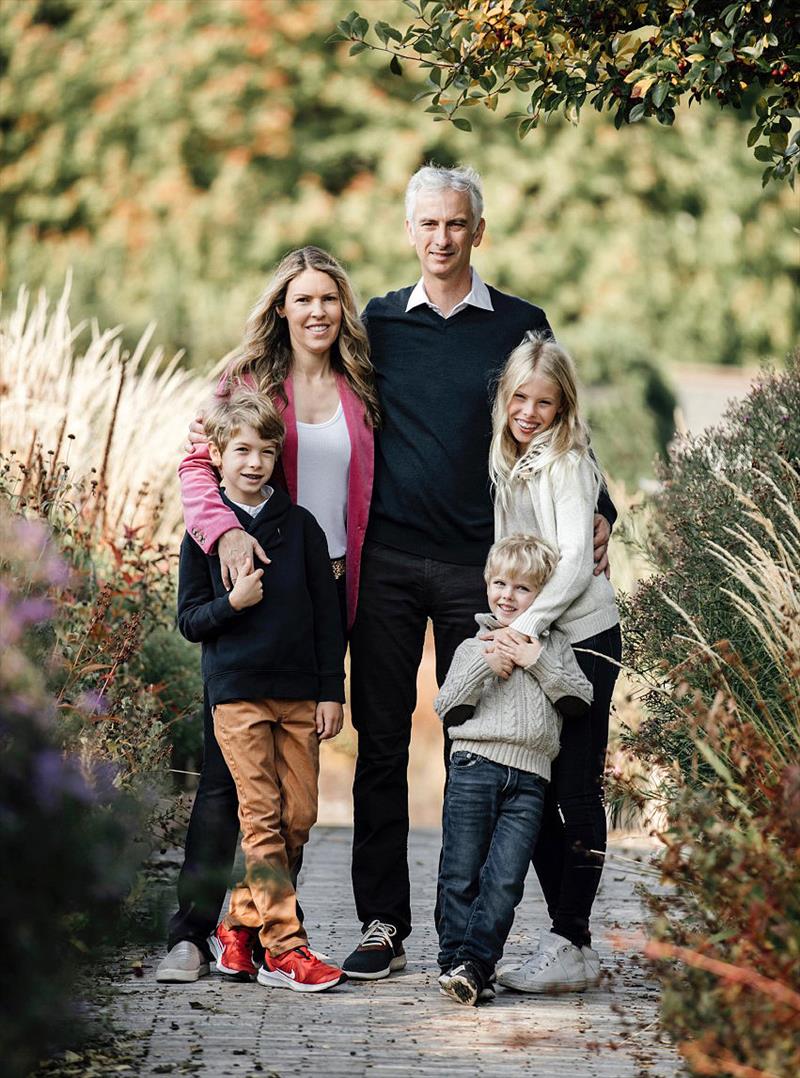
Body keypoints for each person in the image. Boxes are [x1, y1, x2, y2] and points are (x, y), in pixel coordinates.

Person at [341, 164, 616, 980]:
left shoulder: (522, 323)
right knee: (382, 746)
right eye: (426, 224)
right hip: (388, 562)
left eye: (455, 224)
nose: (440, 238)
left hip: (485, 573)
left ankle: (554, 932)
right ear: (409, 231)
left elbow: (564, 424)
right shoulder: (378, 324)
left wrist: (607, 510)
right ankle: (384, 923)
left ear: (478, 230)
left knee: (507, 749)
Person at [156, 247, 377, 984]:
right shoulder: (247, 382)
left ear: (343, 306)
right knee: (236, 790)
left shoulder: (361, 383)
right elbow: (198, 465)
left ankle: (239, 929)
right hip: (252, 581)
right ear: (281, 305)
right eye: (302, 298)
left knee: (293, 801)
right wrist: (225, 535)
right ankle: (207, 935)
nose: (317, 312)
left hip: (327, 584)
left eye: (329, 299)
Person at [175, 389, 346, 992]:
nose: (253, 462)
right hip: (238, 694)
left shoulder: (300, 528)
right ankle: (284, 946)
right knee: (263, 819)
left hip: (300, 693)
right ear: (216, 456)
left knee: (299, 815)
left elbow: (328, 620)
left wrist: (333, 692)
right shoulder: (204, 536)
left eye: (265, 452)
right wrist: (232, 603)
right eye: (241, 450)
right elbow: (191, 620)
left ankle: (238, 927)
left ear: (278, 457)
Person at [483, 333, 622, 994]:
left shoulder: (565, 460)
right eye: (520, 397)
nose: (530, 411)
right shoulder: (513, 460)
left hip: (584, 640)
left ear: (563, 406)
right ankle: (574, 939)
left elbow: (570, 562)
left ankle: (570, 937)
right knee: (532, 792)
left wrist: (524, 628)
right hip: (541, 641)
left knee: (573, 789)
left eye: (545, 401)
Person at [435, 535, 593, 1006]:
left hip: (529, 780)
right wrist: (486, 665)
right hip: (472, 768)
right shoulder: (473, 645)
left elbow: (579, 698)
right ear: (487, 584)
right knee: (460, 871)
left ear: (543, 595)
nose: (507, 595)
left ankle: (475, 963)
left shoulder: (555, 646)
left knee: (505, 879)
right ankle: (456, 964)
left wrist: (536, 660)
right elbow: (447, 706)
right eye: (499, 583)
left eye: (522, 588)